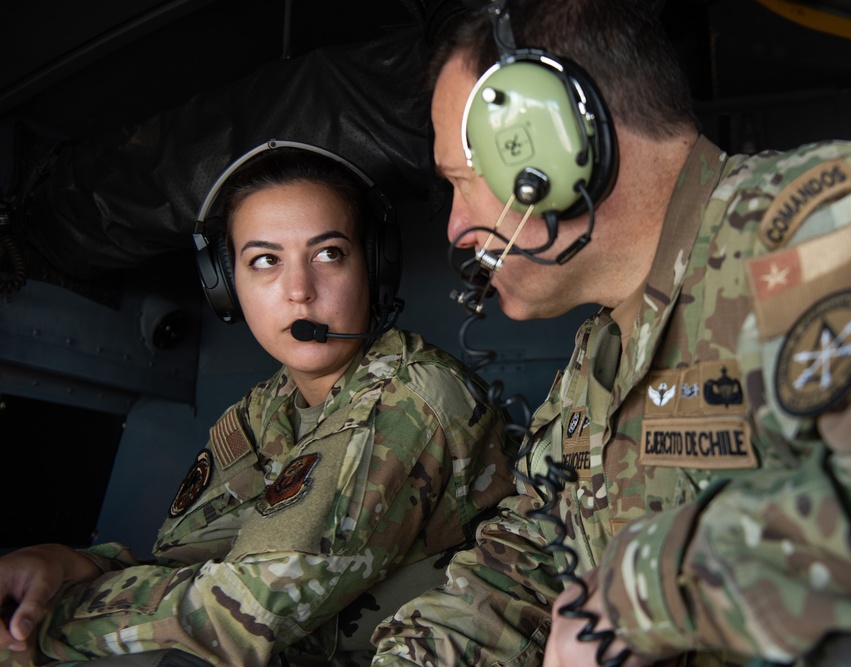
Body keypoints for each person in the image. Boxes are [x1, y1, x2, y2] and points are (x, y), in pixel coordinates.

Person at [370, 0, 851, 665]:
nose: (454, 228)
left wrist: (632, 593)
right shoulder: (600, 353)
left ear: (556, 153)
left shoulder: (819, 224)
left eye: (464, 183)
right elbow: (530, 556)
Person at [0, 143, 517, 666]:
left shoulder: (411, 399)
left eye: (328, 253)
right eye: (265, 260)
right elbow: (190, 555)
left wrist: (38, 623)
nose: (299, 291)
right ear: (226, 289)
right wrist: (75, 563)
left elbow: (239, 612)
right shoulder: (267, 408)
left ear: (374, 269)